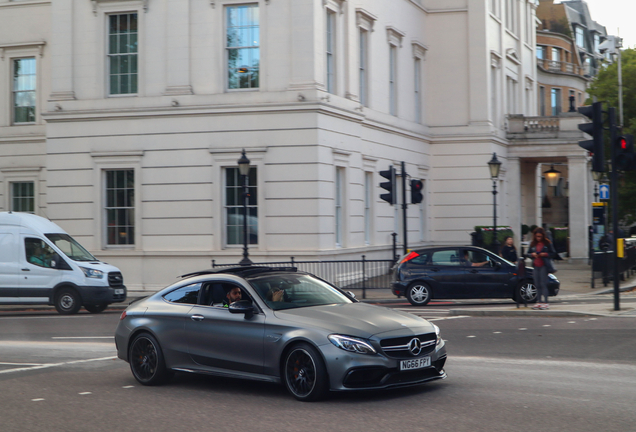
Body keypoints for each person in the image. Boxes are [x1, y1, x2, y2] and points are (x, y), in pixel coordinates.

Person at [526, 227, 556, 310]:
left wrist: (544, 254)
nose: (538, 238)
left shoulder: (547, 243)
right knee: (537, 284)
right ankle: (539, 301)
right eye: (537, 236)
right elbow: (528, 253)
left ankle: (545, 302)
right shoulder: (533, 244)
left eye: (540, 236)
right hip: (536, 265)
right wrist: (532, 255)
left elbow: (553, 253)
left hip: (544, 265)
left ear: (543, 236)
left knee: (543, 284)